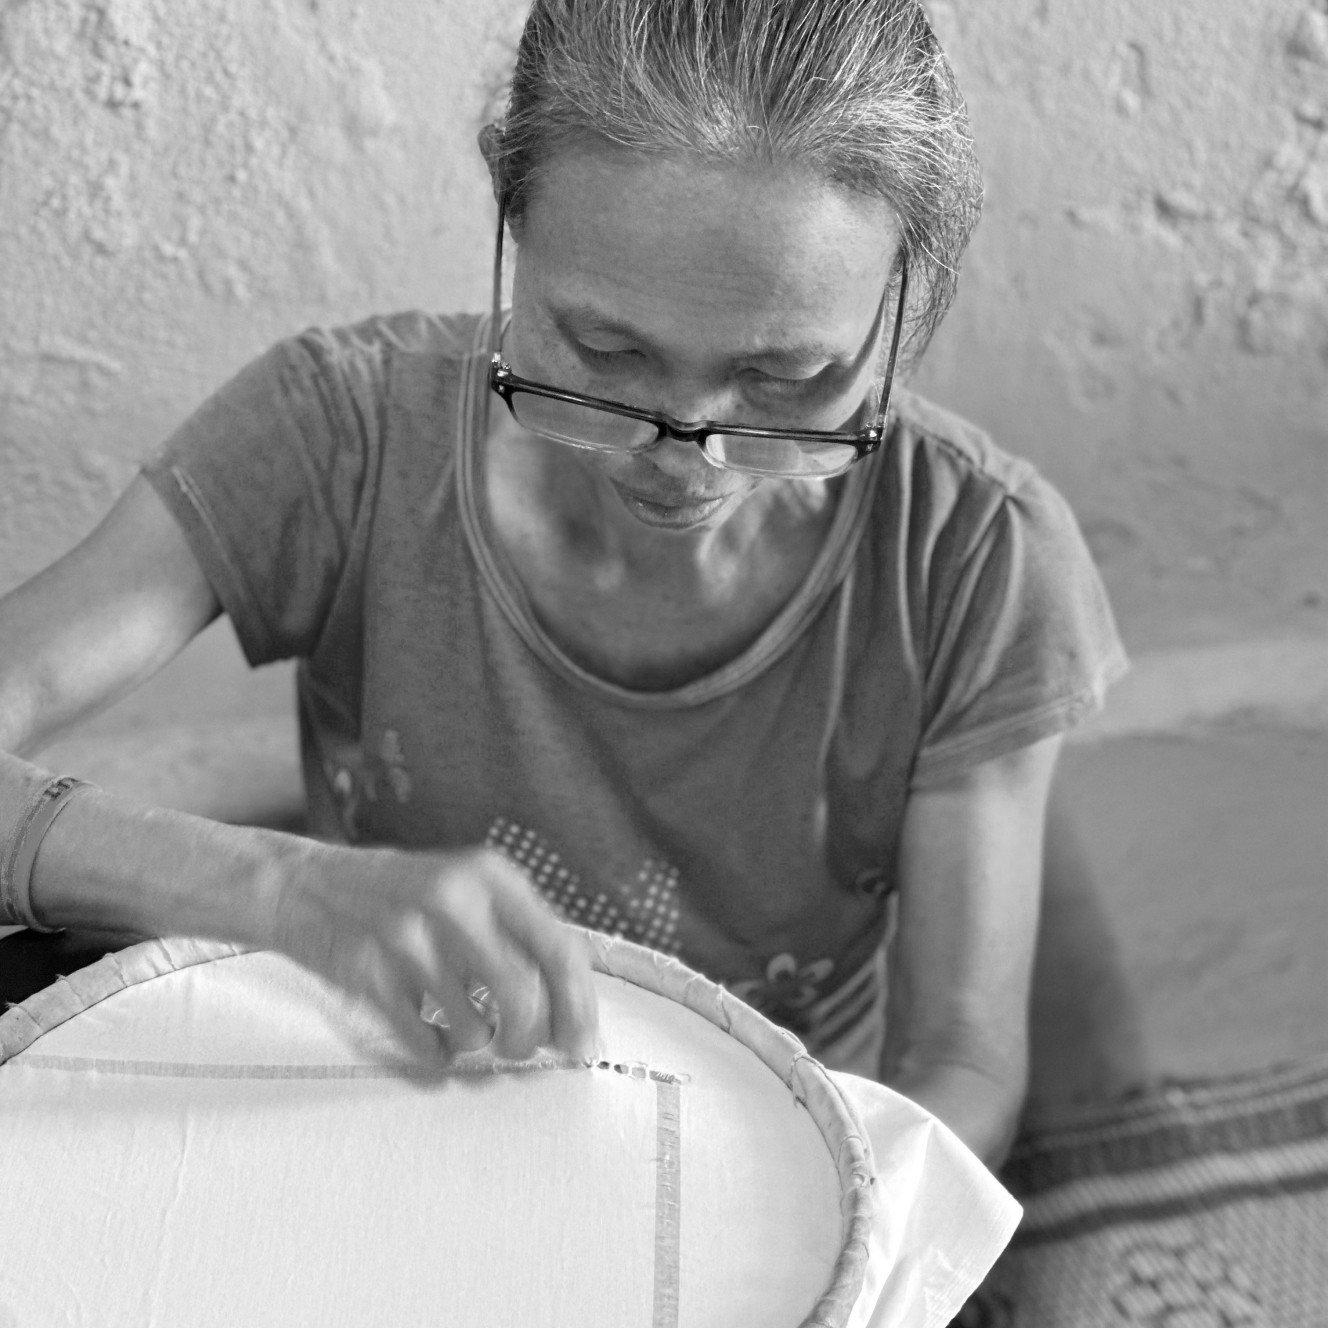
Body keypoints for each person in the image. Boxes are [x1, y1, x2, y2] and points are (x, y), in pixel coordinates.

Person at [0, 0, 1126, 1169]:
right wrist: (275, 885)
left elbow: (961, 1056)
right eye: (601, 352)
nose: (684, 452)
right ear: (510, 213)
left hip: (766, 1162)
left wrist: (855, 1236)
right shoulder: (344, 437)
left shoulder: (973, 558)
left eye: (790, 376)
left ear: (907, 288)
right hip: (384, 1115)